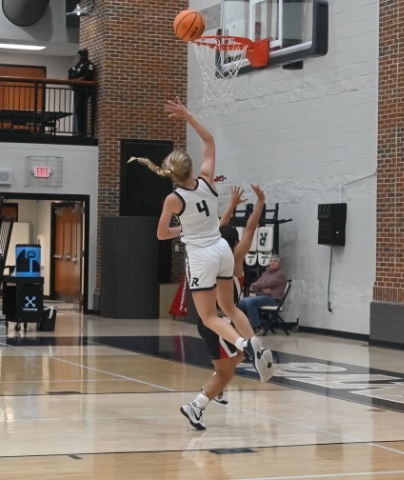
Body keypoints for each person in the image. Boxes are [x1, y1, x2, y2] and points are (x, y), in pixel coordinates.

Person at [128, 98, 273, 430]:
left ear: (171, 174)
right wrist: (187, 116)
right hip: (221, 248)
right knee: (229, 306)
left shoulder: (173, 198)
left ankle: (243, 344)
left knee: (209, 316)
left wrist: (183, 229)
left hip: (201, 255)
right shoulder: (208, 180)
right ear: (191, 167)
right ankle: (253, 342)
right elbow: (209, 140)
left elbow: (161, 233)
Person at [187, 184, 266, 425]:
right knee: (227, 370)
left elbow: (220, 228)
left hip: (207, 319)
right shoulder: (235, 258)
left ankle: (215, 388)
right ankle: (197, 404)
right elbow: (251, 228)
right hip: (221, 321)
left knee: (238, 356)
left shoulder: (211, 252)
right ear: (236, 241)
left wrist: (231, 205)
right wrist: (260, 202)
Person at [237, 255, 287, 332]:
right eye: (271, 261)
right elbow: (256, 285)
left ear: (279, 264)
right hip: (261, 296)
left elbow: (267, 283)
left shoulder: (280, 275)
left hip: (272, 299)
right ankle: (244, 324)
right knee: (239, 302)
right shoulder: (266, 273)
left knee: (251, 302)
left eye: (275, 261)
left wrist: (259, 286)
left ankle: (256, 326)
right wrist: (262, 288)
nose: (272, 263)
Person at [68, 48, 96, 135]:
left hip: (84, 90)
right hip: (77, 89)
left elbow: (86, 77)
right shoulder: (78, 64)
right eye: (80, 54)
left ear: (86, 55)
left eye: (82, 54)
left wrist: (75, 81)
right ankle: (79, 130)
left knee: (81, 109)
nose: (80, 56)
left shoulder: (89, 65)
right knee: (77, 110)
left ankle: (82, 131)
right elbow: (72, 73)